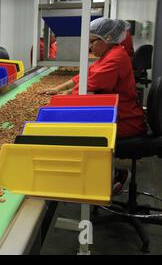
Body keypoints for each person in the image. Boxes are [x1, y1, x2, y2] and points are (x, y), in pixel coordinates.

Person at [40, 18, 146, 194]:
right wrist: (58, 88)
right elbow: (84, 77)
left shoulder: (115, 59)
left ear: (107, 39)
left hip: (124, 120)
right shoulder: (109, 54)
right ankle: (107, 173)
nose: (90, 48)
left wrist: (62, 98)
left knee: (76, 134)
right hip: (115, 113)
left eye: (92, 42)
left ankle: (105, 179)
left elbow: (89, 86)